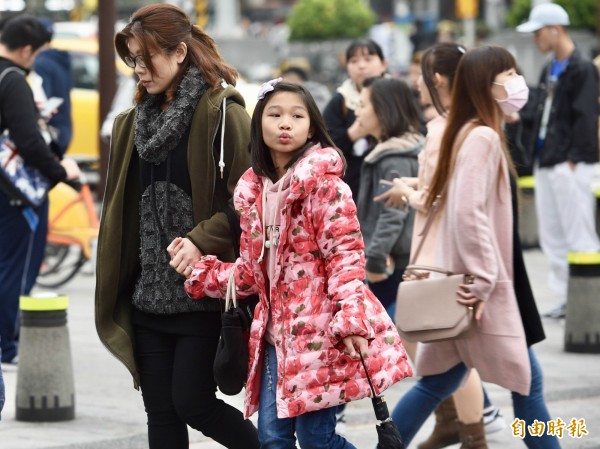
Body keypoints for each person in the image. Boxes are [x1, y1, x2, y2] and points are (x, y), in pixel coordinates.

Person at [182, 79, 412, 449]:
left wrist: (351, 319)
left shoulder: (326, 187)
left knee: (317, 440)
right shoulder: (254, 192)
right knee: (272, 439)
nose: (284, 123)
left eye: (296, 115)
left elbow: (345, 259)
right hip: (275, 338)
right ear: (259, 125)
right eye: (274, 115)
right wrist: (201, 273)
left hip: (323, 336)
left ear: (311, 127)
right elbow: (251, 272)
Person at [94, 4, 259, 448]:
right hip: (147, 296)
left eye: (147, 59)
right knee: (161, 414)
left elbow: (250, 201)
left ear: (181, 52)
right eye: (132, 60)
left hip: (202, 296)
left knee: (193, 403)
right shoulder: (132, 123)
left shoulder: (224, 114)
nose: (139, 71)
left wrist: (200, 239)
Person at [384, 45, 545, 448]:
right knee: (529, 384)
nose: (516, 82)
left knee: (436, 384)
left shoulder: (470, 132)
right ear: (482, 83)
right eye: (507, 75)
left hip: (466, 284)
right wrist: (486, 278)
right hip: (478, 287)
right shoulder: (482, 137)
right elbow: (466, 214)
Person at [0, 15, 80, 365]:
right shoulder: (13, 79)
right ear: (28, 49)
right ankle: (7, 346)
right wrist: (59, 171)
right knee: (11, 268)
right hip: (11, 192)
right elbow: (29, 141)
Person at [516, 3, 600, 319]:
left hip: (569, 161)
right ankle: (566, 296)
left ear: (556, 29)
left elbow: (586, 116)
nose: (536, 39)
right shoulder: (550, 67)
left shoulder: (581, 67)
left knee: (578, 230)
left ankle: (586, 299)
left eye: (538, 32)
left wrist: (577, 157)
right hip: (546, 158)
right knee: (552, 233)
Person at [353, 76, 423, 318]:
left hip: (390, 265)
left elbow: (393, 213)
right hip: (390, 262)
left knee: (399, 336)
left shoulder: (394, 156)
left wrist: (374, 260)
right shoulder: (394, 150)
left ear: (383, 110)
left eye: (363, 105)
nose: (357, 111)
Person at [323, 38, 388, 202]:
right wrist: (355, 133)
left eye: (368, 59)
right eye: (354, 61)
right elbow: (325, 145)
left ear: (383, 64)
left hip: (389, 181)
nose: (361, 66)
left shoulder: (397, 96)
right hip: (349, 190)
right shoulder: (340, 100)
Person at [32, 18, 73, 155]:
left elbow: (43, 102)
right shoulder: (59, 59)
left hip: (51, 131)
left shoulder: (40, 63)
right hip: (65, 127)